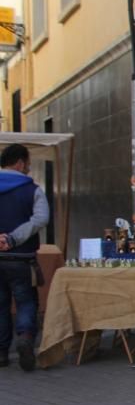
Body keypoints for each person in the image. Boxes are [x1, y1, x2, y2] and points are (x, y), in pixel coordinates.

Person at [0, 144, 50, 371]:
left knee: (0, 306)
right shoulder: (33, 190)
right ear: (20, 162)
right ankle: (26, 337)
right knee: (26, 301)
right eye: (28, 163)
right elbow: (41, 219)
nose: (29, 168)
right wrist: (13, 238)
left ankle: (1, 353)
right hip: (22, 258)